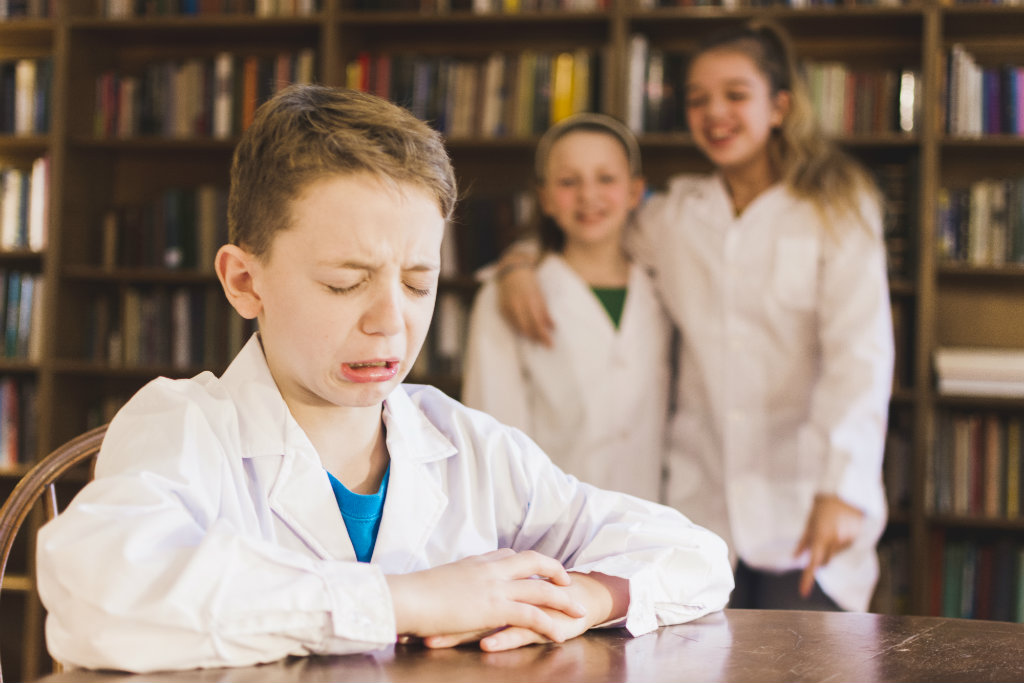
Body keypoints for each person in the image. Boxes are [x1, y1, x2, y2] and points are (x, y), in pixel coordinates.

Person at [34, 84, 732, 674]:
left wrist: (588, 594)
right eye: (345, 282)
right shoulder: (182, 427)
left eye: (418, 283)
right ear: (245, 282)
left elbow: (696, 555)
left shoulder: (466, 443)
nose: (390, 324)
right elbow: (97, 592)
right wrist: (408, 599)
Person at [496, 20, 894, 612]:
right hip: (698, 508)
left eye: (735, 95)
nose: (715, 113)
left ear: (779, 106)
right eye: (698, 99)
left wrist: (843, 488)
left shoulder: (837, 207)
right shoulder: (677, 214)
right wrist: (519, 260)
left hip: (807, 499)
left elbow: (861, 355)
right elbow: (592, 221)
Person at [462, 113, 671, 502]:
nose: (588, 195)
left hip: (647, 521)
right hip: (547, 527)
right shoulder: (504, 294)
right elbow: (491, 431)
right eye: (568, 182)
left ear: (635, 192)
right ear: (544, 198)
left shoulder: (663, 289)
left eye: (606, 179)